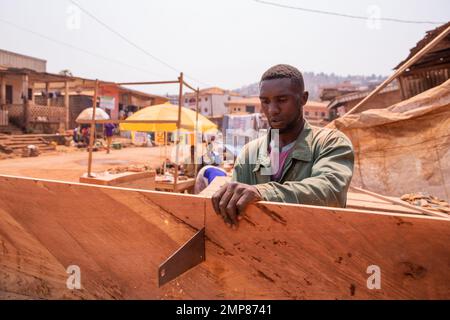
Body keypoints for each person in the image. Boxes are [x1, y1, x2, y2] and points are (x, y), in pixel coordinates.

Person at [212, 64, 354, 228]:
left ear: (303, 98)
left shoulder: (331, 143)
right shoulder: (250, 152)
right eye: (265, 101)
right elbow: (236, 213)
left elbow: (329, 192)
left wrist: (263, 192)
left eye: (282, 100)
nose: (272, 110)